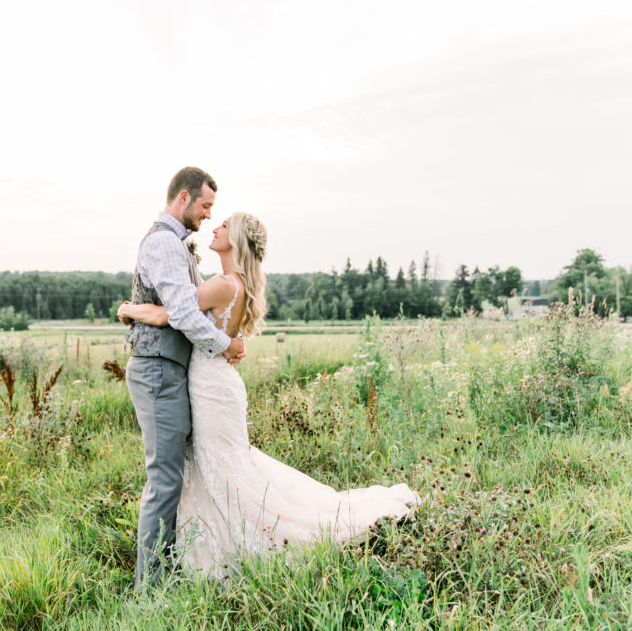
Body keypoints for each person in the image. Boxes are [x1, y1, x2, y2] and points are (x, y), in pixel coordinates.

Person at [119, 212, 421, 578]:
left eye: (225, 226)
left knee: (224, 469)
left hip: (211, 386)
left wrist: (130, 308)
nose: (215, 227)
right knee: (223, 465)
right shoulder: (238, 283)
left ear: (237, 240)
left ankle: (248, 540)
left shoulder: (223, 284)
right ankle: (215, 540)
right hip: (218, 383)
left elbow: (172, 313)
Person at [124, 166, 247, 588]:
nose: (209, 215)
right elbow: (181, 313)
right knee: (164, 478)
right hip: (156, 368)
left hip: (173, 369)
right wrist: (223, 344)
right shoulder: (162, 243)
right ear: (183, 199)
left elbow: (182, 310)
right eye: (206, 206)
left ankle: (175, 567)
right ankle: (149, 588)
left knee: (175, 473)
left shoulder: (178, 244)